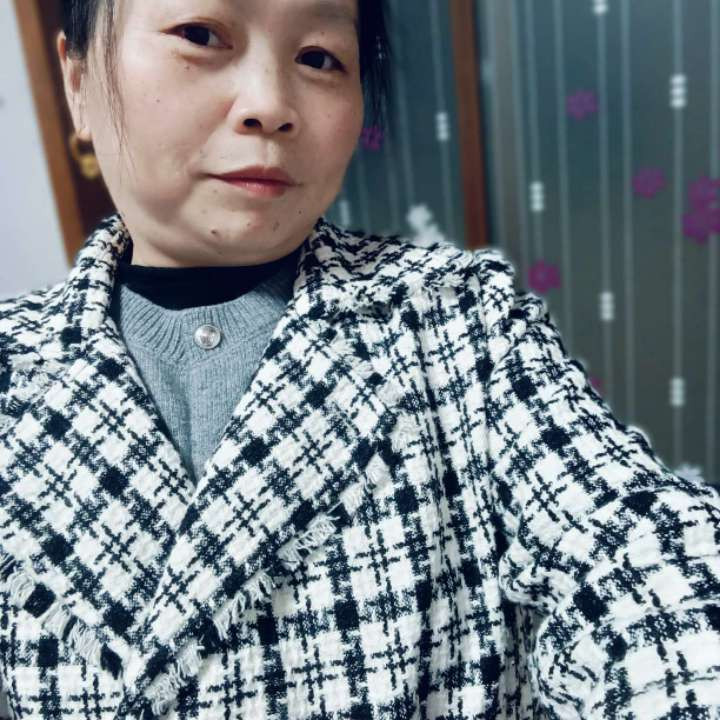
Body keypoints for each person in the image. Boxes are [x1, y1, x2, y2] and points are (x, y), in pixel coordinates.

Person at [0, 0, 718, 718]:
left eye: (319, 57)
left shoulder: (461, 318)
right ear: (78, 81)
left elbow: (638, 547)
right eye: (200, 35)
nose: (270, 105)